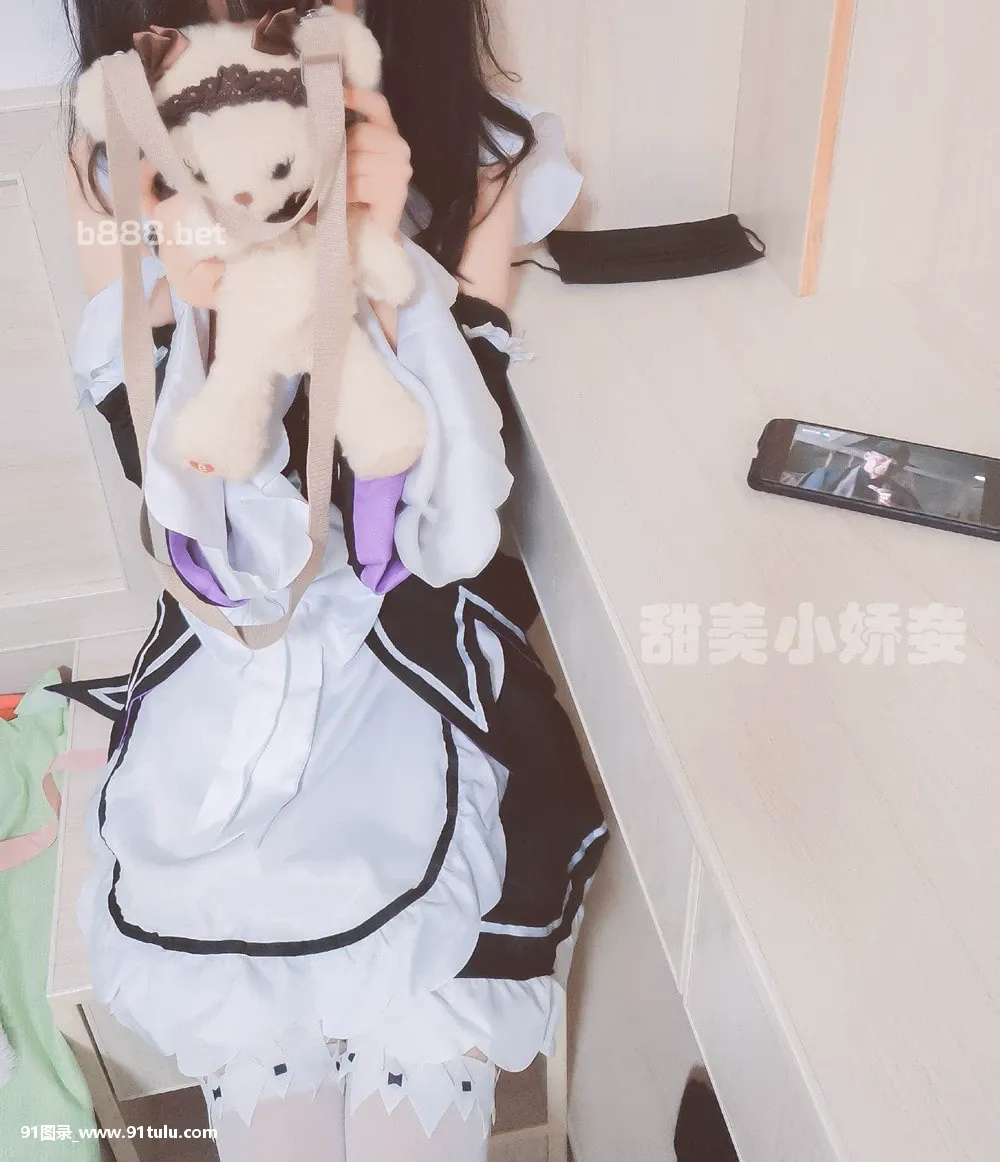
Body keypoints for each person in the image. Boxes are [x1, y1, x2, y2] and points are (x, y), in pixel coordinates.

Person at [59, 2, 608, 1160]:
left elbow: (457, 503)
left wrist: (380, 259)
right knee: (265, 1057)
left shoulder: (468, 166)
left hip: (416, 672)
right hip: (234, 682)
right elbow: (172, 489)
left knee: (422, 1044)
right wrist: (190, 286)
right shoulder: (125, 167)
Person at [801, 439, 922, 512]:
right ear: (867, 456)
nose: (885, 468)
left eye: (893, 466)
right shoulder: (825, 476)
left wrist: (892, 509)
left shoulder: (904, 498)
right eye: (880, 459)